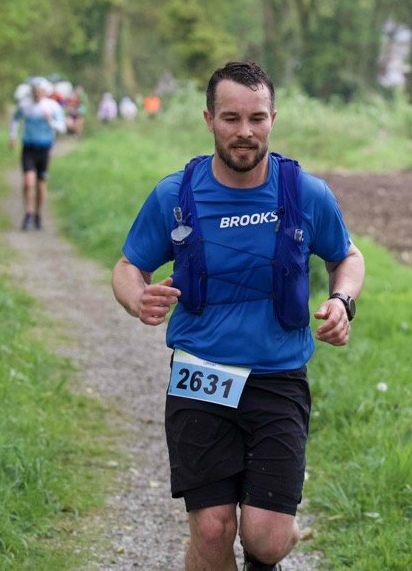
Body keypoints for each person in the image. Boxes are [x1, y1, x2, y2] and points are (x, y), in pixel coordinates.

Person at [112, 61, 365, 571]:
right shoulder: (175, 194)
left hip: (277, 378)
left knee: (266, 541)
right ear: (209, 119)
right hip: (199, 373)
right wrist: (137, 298)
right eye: (231, 118)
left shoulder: (306, 193)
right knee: (212, 529)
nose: (244, 131)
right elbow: (127, 267)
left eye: (256, 118)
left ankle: (273, 534)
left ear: (273, 118)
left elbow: (347, 257)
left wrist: (342, 301)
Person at [8, 77, 66, 230]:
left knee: (40, 185)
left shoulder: (52, 106)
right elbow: (14, 119)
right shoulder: (24, 105)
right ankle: (28, 212)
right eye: (34, 91)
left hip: (44, 148)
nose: (36, 94)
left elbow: (62, 127)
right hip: (28, 147)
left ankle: (38, 213)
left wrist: (50, 120)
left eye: (39, 91)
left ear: (44, 92)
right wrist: (12, 136)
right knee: (28, 182)